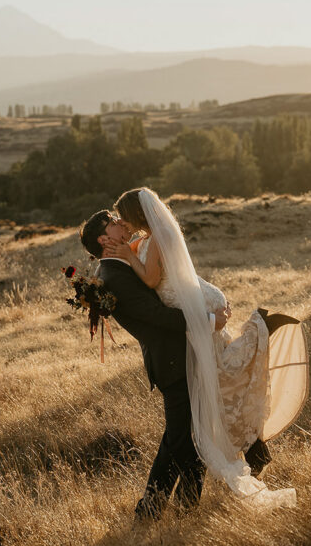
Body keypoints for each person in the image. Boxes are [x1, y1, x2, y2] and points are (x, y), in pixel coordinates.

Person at [103, 188, 303, 508]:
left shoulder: (154, 238)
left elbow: (153, 280)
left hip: (201, 310)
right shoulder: (147, 238)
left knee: (221, 379)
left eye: (122, 216)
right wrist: (126, 250)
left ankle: (261, 332)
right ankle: (252, 450)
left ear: (136, 216)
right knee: (219, 382)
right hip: (199, 307)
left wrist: (127, 254)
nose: (120, 221)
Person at [79, 208, 229, 521]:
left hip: (180, 356)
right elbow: (157, 317)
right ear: (104, 239)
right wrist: (209, 320)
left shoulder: (121, 265)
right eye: (113, 222)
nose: (121, 223)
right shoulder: (113, 276)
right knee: (177, 438)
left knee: (193, 434)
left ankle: (187, 506)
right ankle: (148, 511)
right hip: (171, 361)